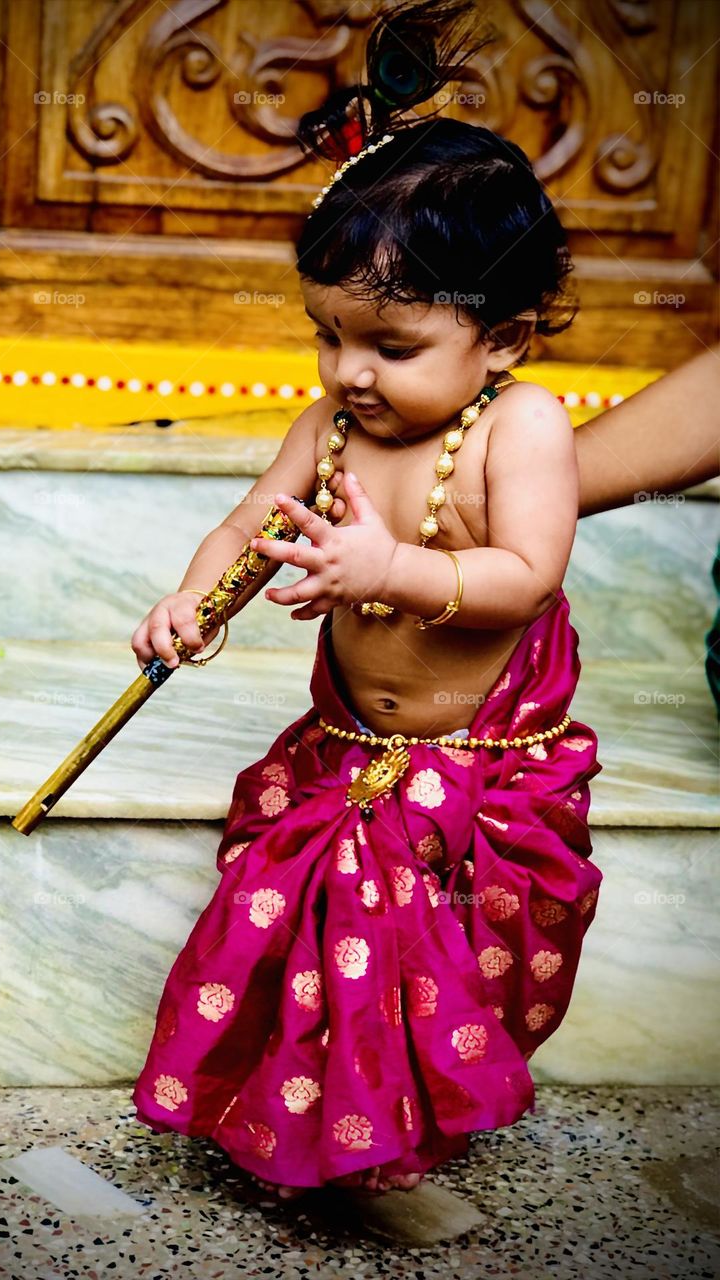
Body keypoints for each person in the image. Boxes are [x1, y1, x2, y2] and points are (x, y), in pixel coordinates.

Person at [126, 0, 707, 1205]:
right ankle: (302, 1124)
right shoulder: (331, 426)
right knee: (299, 943)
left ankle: (391, 1141)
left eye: (388, 343)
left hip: (480, 771)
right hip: (345, 753)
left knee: (423, 969)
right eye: (328, 336)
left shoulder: (522, 430)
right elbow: (248, 525)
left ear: (500, 338)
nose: (349, 371)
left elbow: (524, 576)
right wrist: (195, 596)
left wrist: (389, 570)